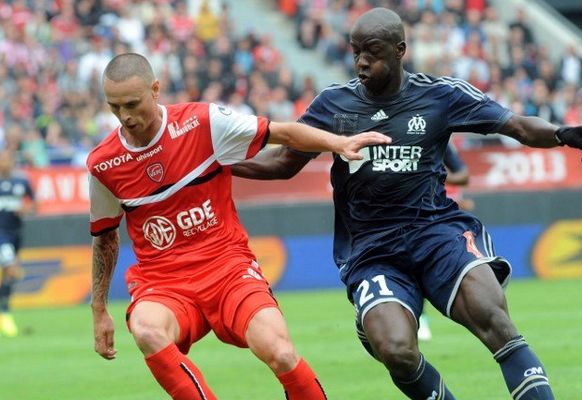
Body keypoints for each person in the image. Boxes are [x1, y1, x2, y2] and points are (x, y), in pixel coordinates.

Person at [231, 8, 582, 400]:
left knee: (496, 321)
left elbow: (518, 126)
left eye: (372, 51)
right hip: (373, 250)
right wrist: (218, 162)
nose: (361, 62)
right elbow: (283, 164)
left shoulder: (442, 96)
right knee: (397, 352)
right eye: (356, 52)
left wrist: (560, 133)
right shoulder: (332, 106)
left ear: (399, 49)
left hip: (437, 233)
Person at [87, 52, 390, 400]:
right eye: (114, 107)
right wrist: (99, 311)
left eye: (132, 103)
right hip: (165, 283)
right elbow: (105, 238)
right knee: (147, 330)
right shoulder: (104, 164)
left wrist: (337, 143)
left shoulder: (203, 123)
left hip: (228, 269)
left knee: (280, 351)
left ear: (155, 90)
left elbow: (283, 134)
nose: (125, 117)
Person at [418, 142, 473, 342]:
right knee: (415, 270)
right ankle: (420, 318)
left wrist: (436, 174)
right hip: (410, 216)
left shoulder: (441, 140)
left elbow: (463, 176)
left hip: (443, 216)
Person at [0, 149, 36, 337]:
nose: (4, 163)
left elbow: (34, 204)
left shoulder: (21, 181)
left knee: (8, 274)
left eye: (7, 159)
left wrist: (26, 208)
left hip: (16, 233)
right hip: (1, 234)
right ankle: (4, 314)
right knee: (12, 268)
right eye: (2, 160)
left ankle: (3, 309)